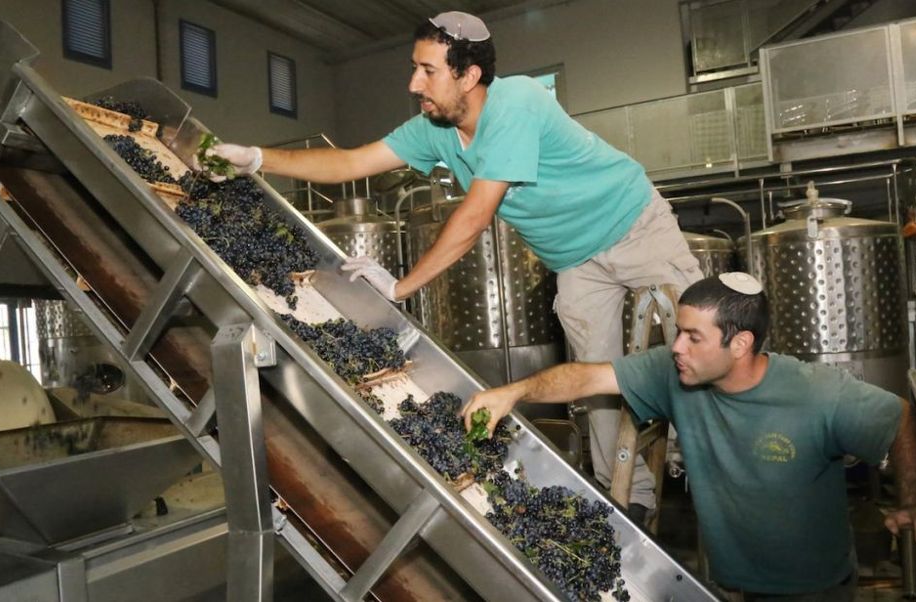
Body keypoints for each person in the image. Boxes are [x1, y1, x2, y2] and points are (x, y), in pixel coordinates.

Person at [197, 11, 701, 513]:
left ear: (469, 75)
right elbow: (351, 162)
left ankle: (711, 467)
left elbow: (476, 215)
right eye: (414, 68)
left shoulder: (517, 103)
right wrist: (259, 158)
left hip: (634, 225)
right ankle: (629, 499)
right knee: (595, 383)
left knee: (704, 345)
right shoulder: (435, 128)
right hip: (574, 261)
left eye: (428, 70)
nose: (415, 82)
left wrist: (401, 287)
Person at [461, 272, 916, 600]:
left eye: (693, 336)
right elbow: (585, 377)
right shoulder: (675, 373)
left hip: (815, 591)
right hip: (735, 586)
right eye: (679, 333)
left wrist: (914, 501)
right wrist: (513, 391)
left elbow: (898, 416)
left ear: (740, 344)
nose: (676, 347)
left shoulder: (817, 393)